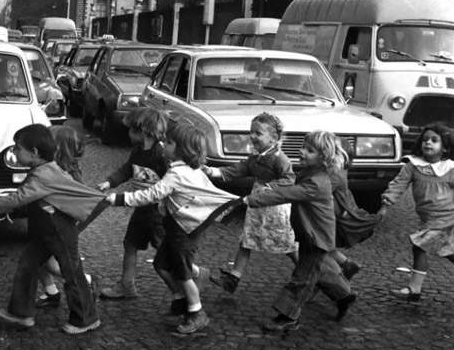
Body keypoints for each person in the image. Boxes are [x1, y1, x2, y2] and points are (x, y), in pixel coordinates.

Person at [0, 124, 103, 335]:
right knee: (27, 265)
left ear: (34, 153)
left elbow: (20, 197)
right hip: (47, 231)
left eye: (17, 148)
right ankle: (21, 313)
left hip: (59, 231)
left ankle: (85, 318)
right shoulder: (44, 170)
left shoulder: (44, 175)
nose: (14, 152)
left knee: (72, 274)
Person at [117, 122, 238, 334]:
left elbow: (152, 194)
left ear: (181, 149)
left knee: (182, 272)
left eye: (170, 142)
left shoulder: (177, 174)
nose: (164, 144)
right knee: (161, 265)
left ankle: (197, 312)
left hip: (184, 230)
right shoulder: (188, 170)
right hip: (177, 227)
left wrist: (120, 198)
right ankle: (181, 302)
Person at [246, 130, 356, 332]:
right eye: (304, 147)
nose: (302, 151)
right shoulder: (310, 174)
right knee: (316, 271)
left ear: (323, 158)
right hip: (310, 234)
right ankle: (344, 295)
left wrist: (252, 199)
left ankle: (288, 316)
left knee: (302, 279)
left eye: (310, 150)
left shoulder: (317, 182)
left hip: (317, 238)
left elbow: (288, 194)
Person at [204, 113, 297, 294]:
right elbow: (238, 170)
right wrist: (212, 171)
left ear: (274, 138)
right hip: (257, 204)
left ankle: (308, 273)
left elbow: (289, 179)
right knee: (247, 240)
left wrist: (270, 187)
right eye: (251, 132)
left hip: (275, 207)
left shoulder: (280, 158)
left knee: (286, 242)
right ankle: (233, 278)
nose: (252, 136)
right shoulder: (255, 157)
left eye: (258, 133)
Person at [98, 108, 170, 300]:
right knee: (130, 244)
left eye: (130, 130)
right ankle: (126, 285)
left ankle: (186, 286)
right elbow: (126, 170)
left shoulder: (161, 155)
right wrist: (110, 182)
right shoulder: (138, 151)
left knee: (166, 254)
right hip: (142, 210)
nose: (127, 133)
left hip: (159, 214)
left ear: (143, 132)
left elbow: (171, 183)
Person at [381, 123, 454, 301]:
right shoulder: (413, 166)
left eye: (434, 140)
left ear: (444, 148)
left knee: (420, 246)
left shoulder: (450, 169)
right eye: (425, 140)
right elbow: (398, 185)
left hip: (448, 217)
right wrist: (386, 203)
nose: (428, 143)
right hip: (429, 218)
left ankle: (414, 289)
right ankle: (414, 289)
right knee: (449, 251)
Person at [35, 126, 95, 308]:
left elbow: (80, 202)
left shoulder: (70, 174)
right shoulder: (51, 168)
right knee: (37, 260)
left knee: (54, 265)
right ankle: (51, 291)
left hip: (59, 227)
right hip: (45, 224)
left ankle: (86, 281)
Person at [328, 138, 381, 280]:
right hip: (333, 214)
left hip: (332, 215)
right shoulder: (339, 171)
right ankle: (346, 265)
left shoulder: (335, 174)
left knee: (320, 248)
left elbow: (318, 192)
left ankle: (336, 282)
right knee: (324, 247)